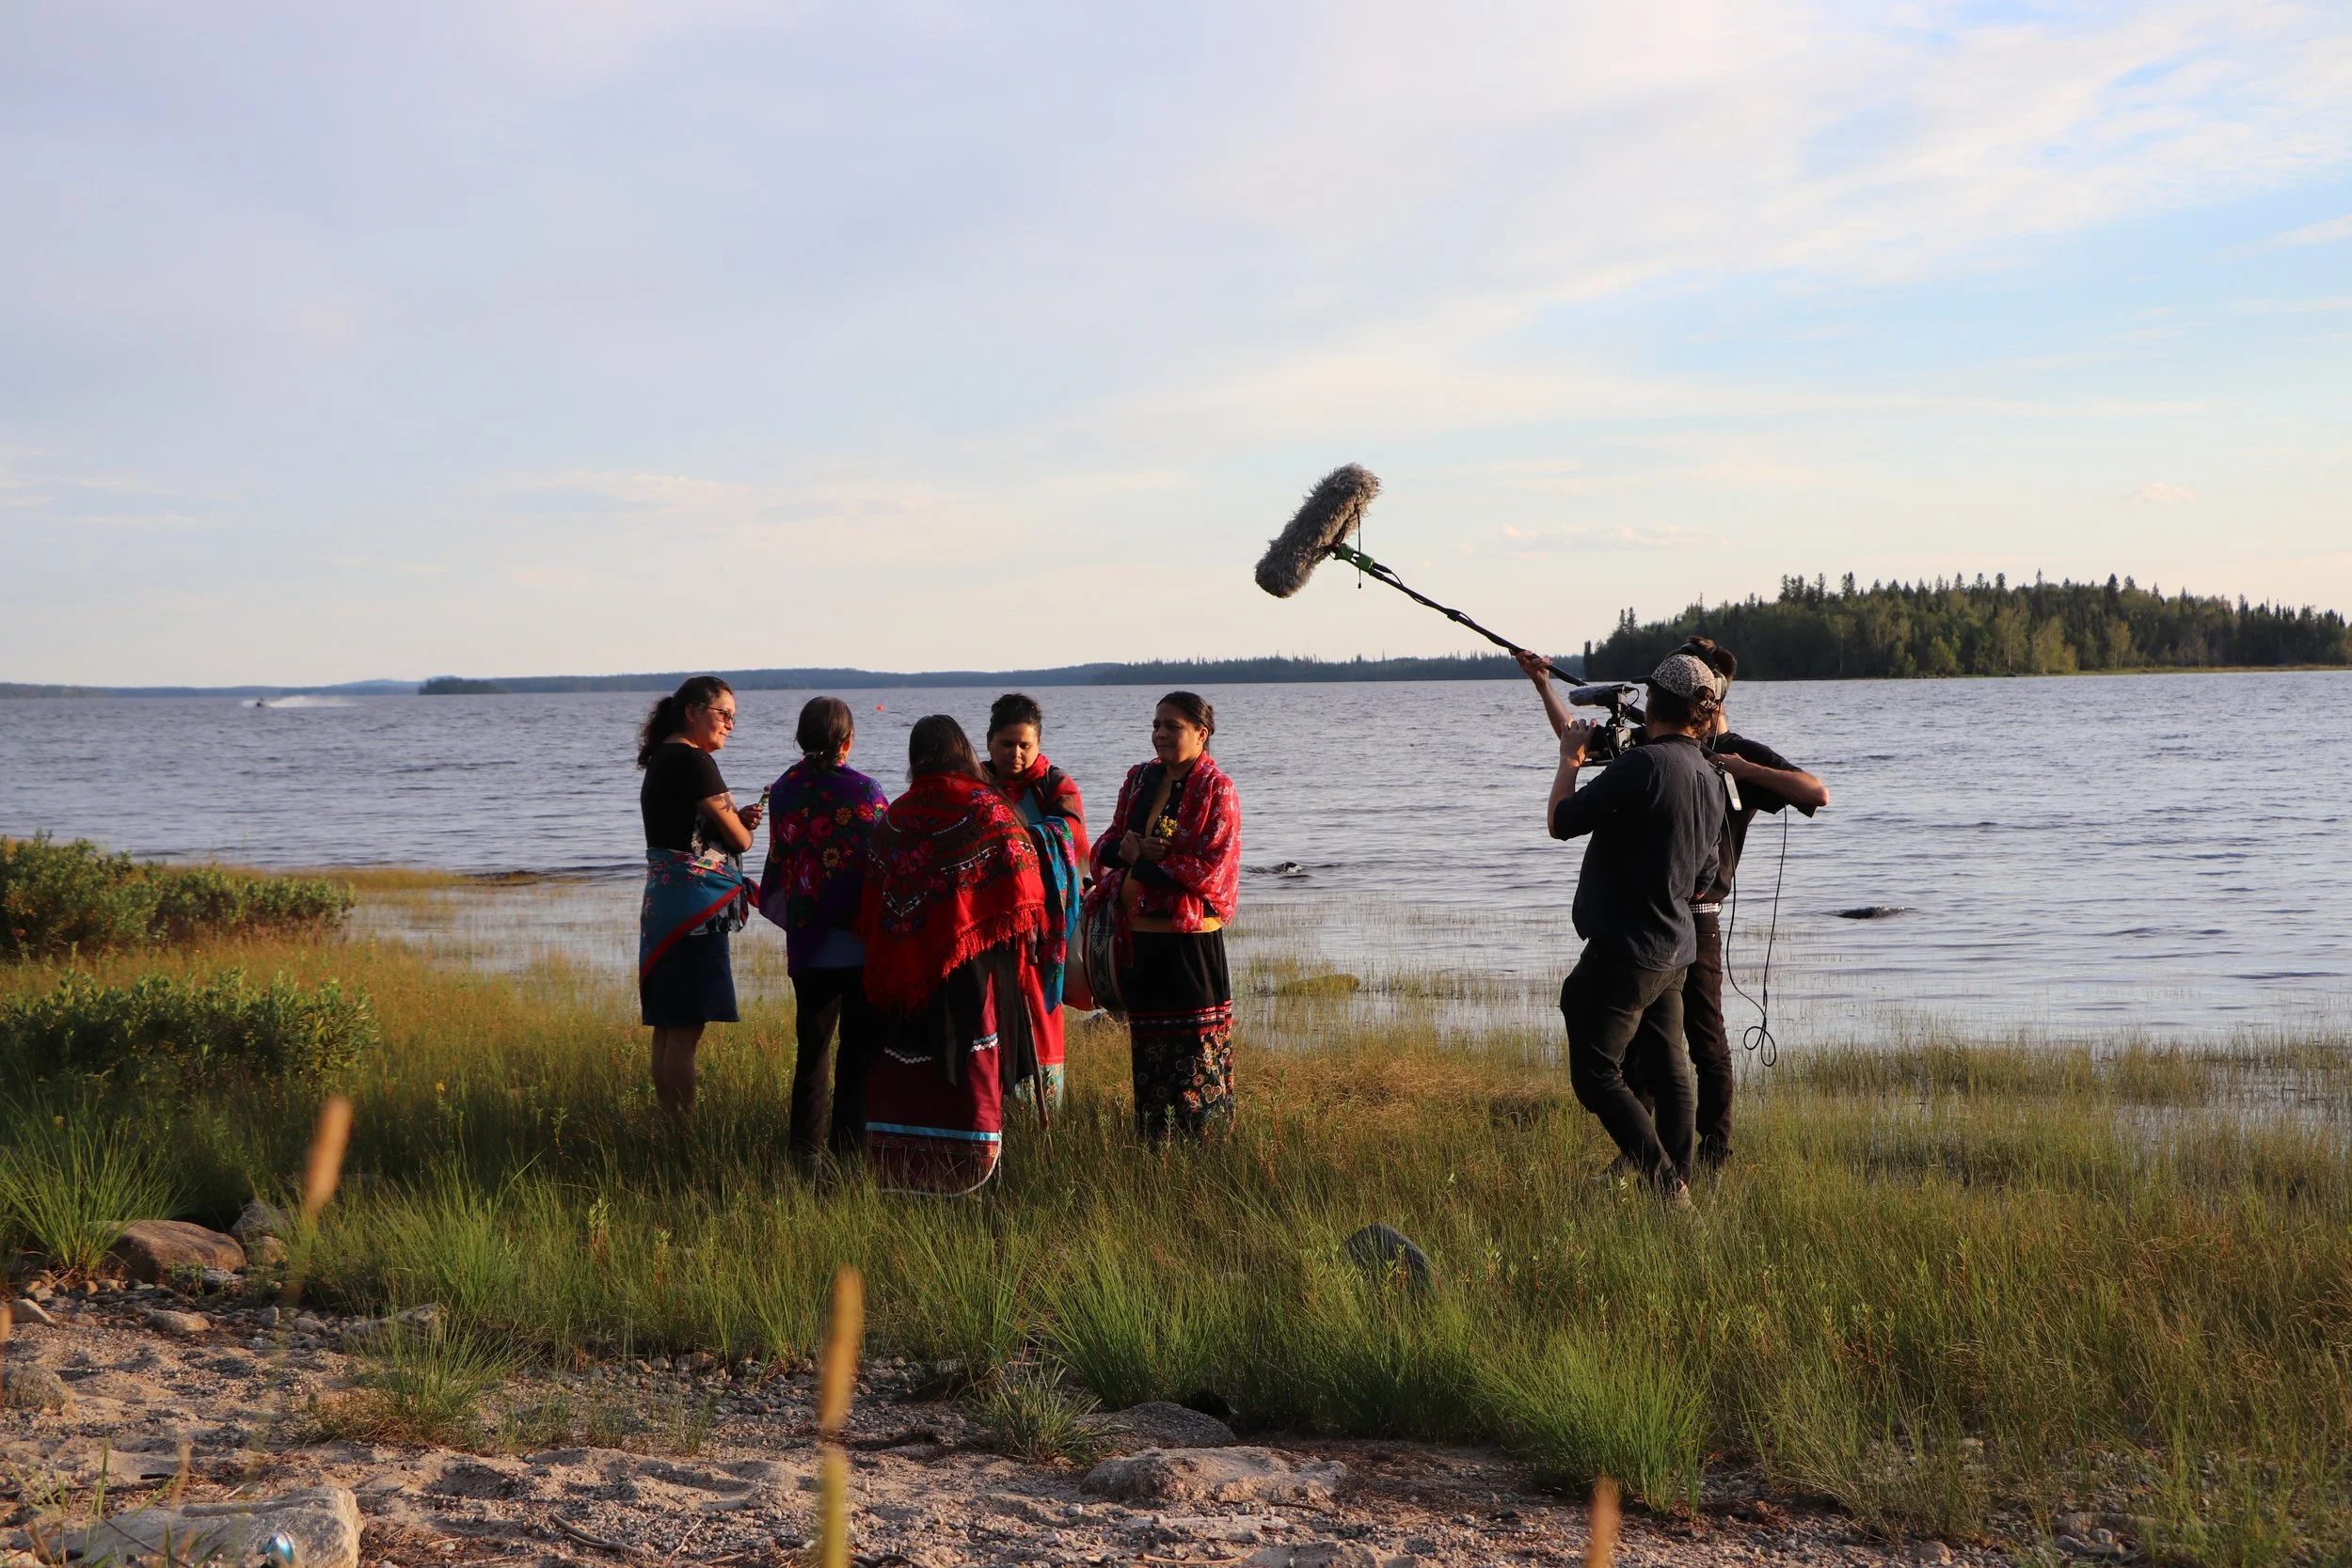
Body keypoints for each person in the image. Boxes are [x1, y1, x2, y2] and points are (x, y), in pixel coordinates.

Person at [1516, 647, 1729, 1205]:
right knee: (1668, 1067)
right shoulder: (1708, 774)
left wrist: (1568, 760)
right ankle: (1680, 1179)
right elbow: (1707, 873)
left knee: (1595, 1074)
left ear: (1652, 699)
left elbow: (1562, 822)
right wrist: (1545, 687)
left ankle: (1664, 1186)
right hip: (1676, 950)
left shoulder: (1644, 766)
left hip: (1626, 951)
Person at [1629, 637, 1829, 1168]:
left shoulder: (1738, 753)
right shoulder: (1662, 743)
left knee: (1705, 1037)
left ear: (1714, 697)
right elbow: (1580, 746)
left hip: (1701, 915)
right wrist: (1540, 684)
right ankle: (1644, 1153)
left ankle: (1714, 1152)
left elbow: (1815, 792)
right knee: (1643, 1040)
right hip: (1653, 911)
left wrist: (1743, 770)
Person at [856, 715, 1050, 1195]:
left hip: (906, 974)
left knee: (908, 1059)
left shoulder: (895, 815)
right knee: (968, 1060)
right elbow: (1025, 881)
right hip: (971, 964)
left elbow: (874, 899)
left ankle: (904, 1162)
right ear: (964, 750)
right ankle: (974, 1163)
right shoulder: (988, 806)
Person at [1089, 691, 1242, 1140]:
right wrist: (1128, 851)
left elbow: (1213, 868)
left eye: (1172, 726)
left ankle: (1205, 1149)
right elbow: (1108, 843)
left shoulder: (1219, 789)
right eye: (1156, 725)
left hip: (1190, 940)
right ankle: (1155, 1148)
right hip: (1138, 936)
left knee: (1198, 1052)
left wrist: (1147, 863)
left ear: (1201, 733)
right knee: (1150, 1051)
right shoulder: (1140, 779)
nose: (1160, 734)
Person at [759, 695, 890, 1176]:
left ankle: (804, 1161)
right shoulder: (867, 792)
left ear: (800, 738)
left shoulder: (786, 790)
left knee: (811, 1054)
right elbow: (881, 863)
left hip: (809, 942)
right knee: (857, 1054)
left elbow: (785, 862)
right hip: (856, 944)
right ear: (848, 742)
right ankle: (850, 1159)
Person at [636, 675, 763, 1120]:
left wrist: (732, 822)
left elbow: (686, 830)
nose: (729, 724)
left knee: (668, 1026)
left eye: (733, 716)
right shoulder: (695, 762)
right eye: (722, 713)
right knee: (687, 1028)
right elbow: (742, 842)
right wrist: (742, 826)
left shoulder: (664, 757)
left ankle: (670, 1125)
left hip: (663, 906)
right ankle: (685, 1133)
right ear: (692, 712)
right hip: (695, 909)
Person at [980, 692, 1089, 1113]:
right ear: (989, 743)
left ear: (1038, 744)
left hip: (1044, 931)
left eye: (1026, 745)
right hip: (988, 927)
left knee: (1040, 1016)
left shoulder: (1055, 784)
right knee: (992, 1015)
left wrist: (1016, 837)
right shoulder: (976, 783)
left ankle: (1040, 1114)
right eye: (1008, 744)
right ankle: (992, 1111)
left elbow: (1074, 838)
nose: (1017, 754)